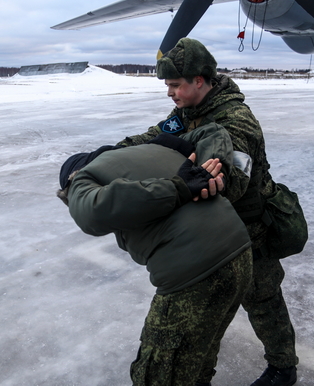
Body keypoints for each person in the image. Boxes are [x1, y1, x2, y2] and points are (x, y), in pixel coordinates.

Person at [116, 38, 299, 386]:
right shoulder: (186, 113)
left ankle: (283, 367)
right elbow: (155, 137)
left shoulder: (236, 119)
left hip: (248, 231)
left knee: (264, 303)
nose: (170, 92)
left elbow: (232, 179)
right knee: (210, 318)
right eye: (167, 85)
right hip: (212, 234)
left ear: (199, 80)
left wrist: (205, 179)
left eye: (175, 84)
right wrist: (109, 154)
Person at [58, 124, 253, 386]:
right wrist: (211, 171)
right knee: (197, 360)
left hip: (194, 272)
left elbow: (90, 213)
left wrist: (182, 186)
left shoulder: (82, 177)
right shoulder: (152, 147)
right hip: (239, 251)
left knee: (157, 375)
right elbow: (215, 131)